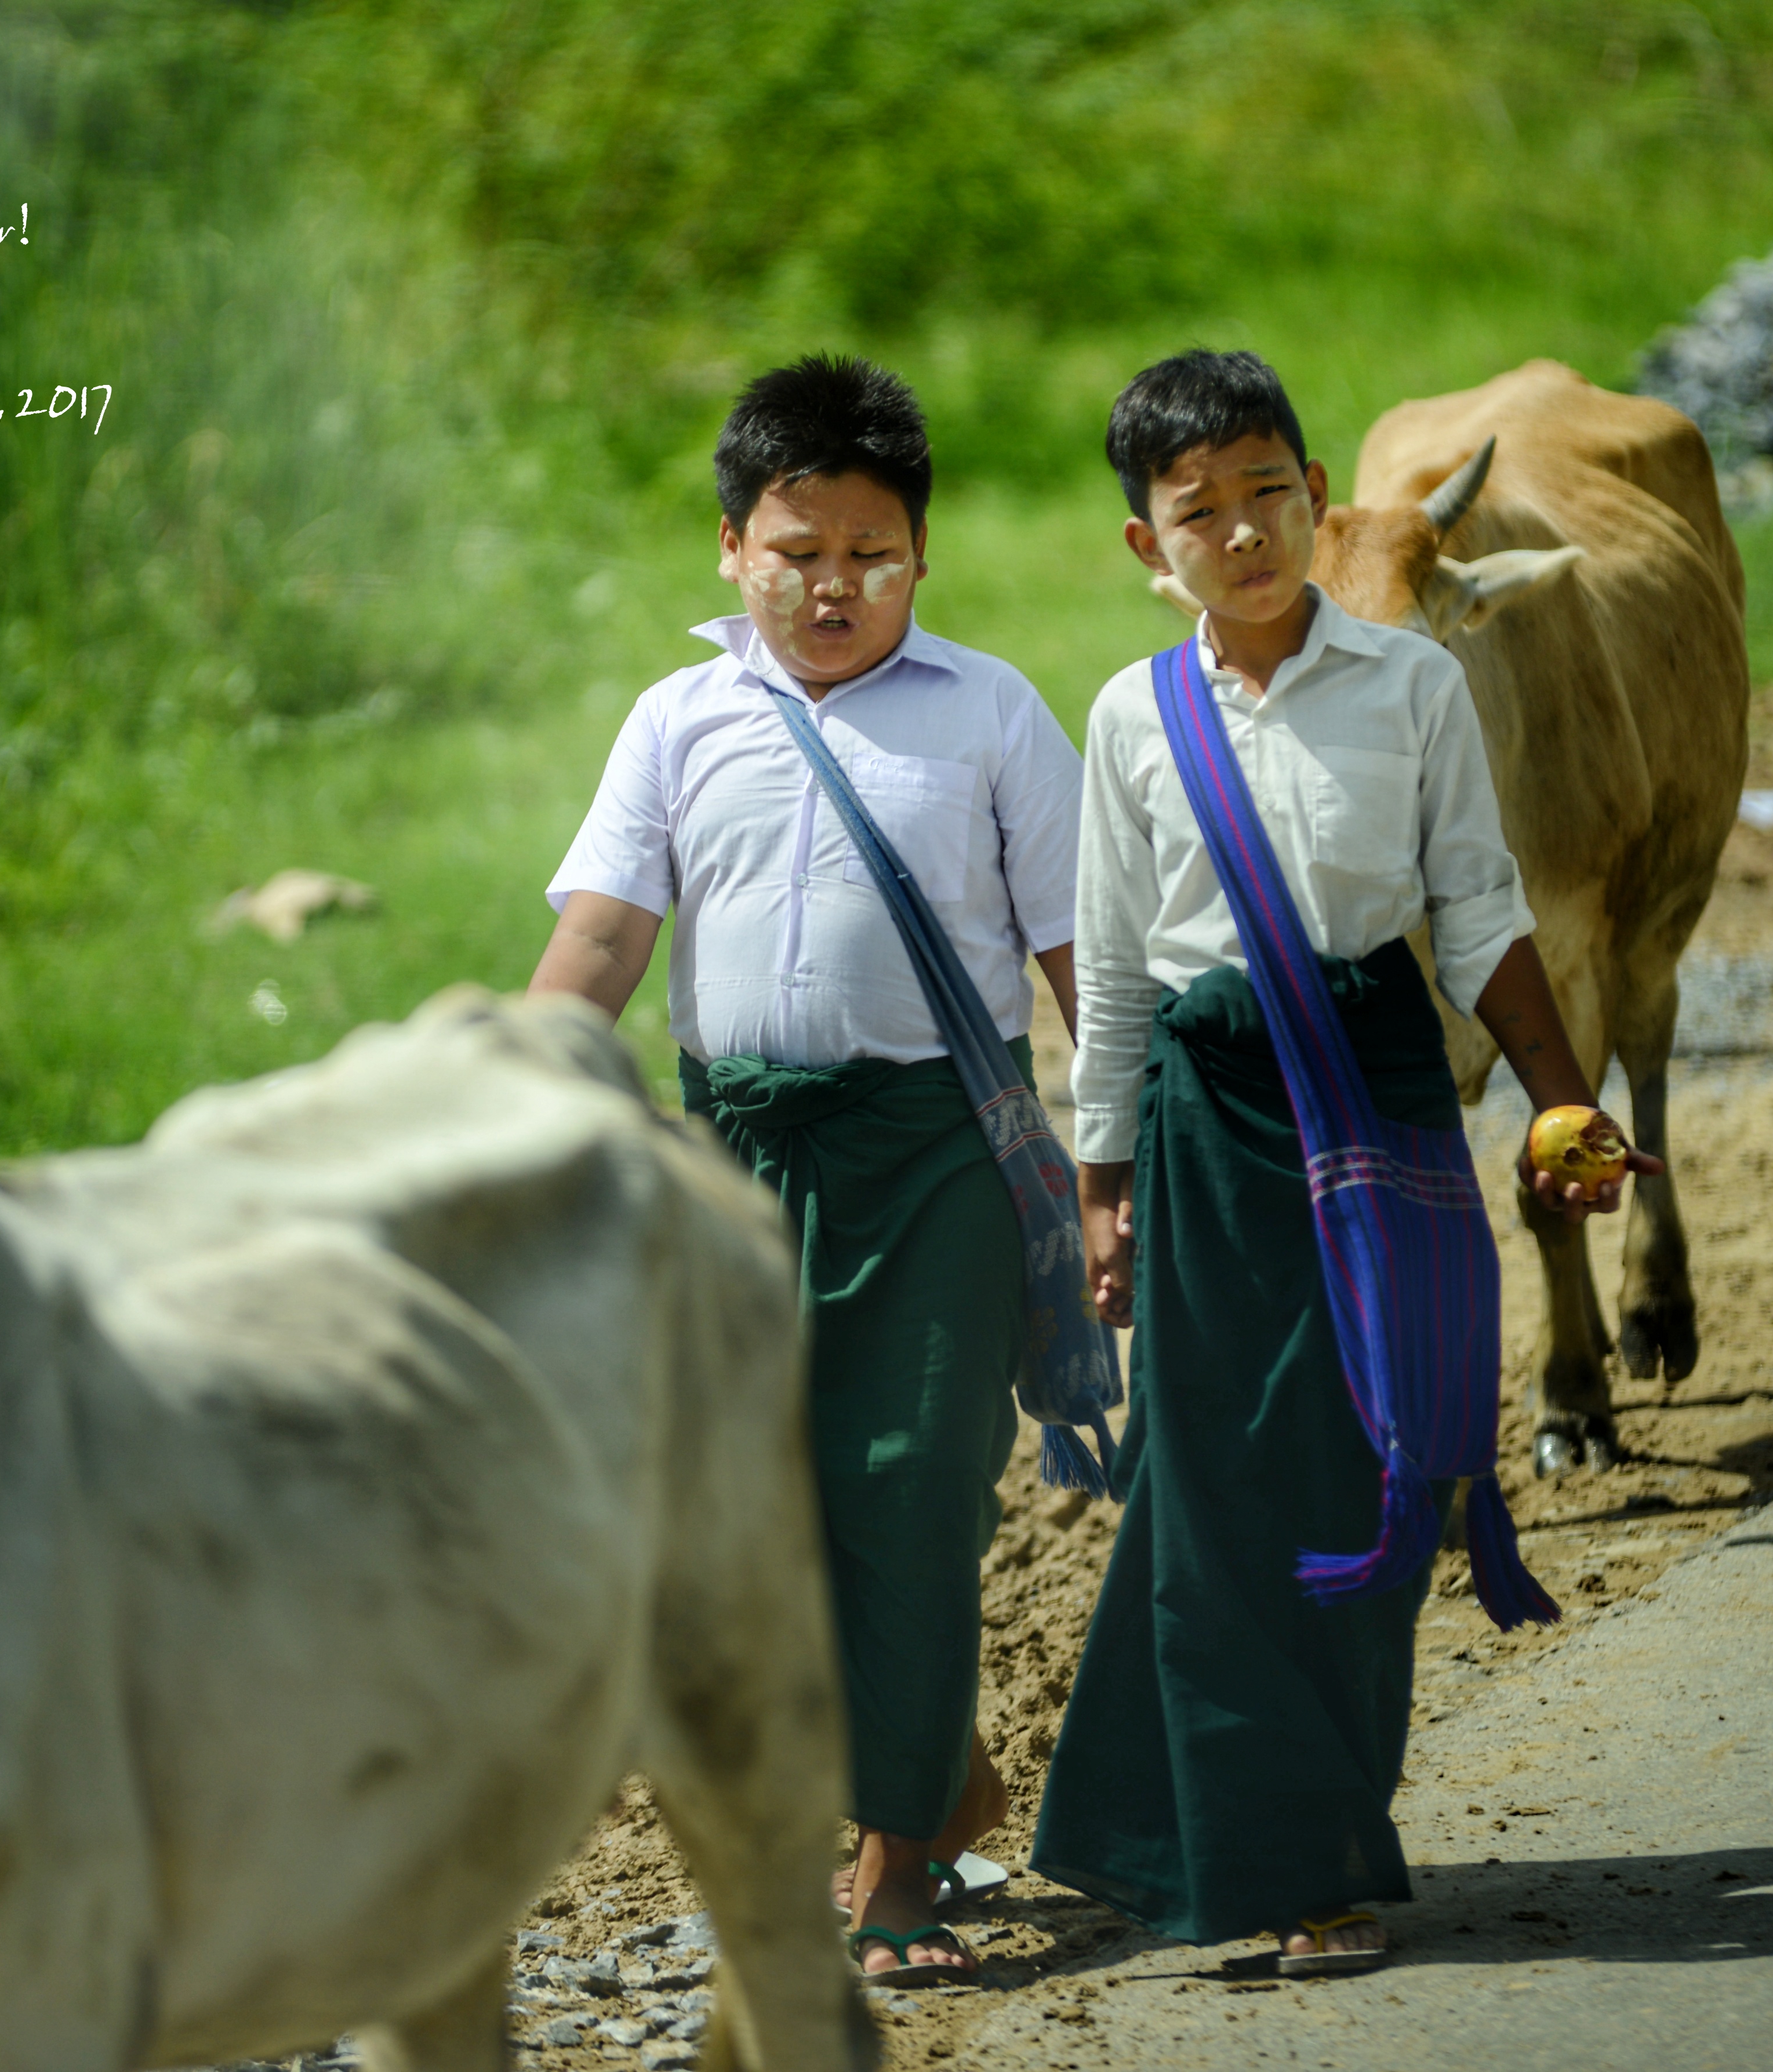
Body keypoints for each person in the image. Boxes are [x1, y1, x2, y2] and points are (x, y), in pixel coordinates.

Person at [1028, 350, 1659, 1977]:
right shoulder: (1128, 720)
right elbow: (1109, 971)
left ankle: (1295, 1835)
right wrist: (1102, 1181)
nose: (1239, 535)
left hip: (1380, 1089)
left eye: (1266, 498)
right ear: (1142, 545)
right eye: (1197, 514)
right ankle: (1278, 1862)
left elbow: (1481, 915)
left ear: (1317, 500)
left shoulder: (1411, 686)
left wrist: (1553, 1096)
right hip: (1206, 1115)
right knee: (1210, 1476)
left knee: (1374, 1466)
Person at [528, 355, 1085, 1986]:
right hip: (736, 1162)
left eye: (872, 553)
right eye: (796, 551)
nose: (832, 584)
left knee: (906, 1487)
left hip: (936, 1162)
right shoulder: (677, 718)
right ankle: (942, 1778)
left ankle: (895, 1858)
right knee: (753, 1511)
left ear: (921, 559)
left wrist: (1116, 1161)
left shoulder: (988, 715)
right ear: (729, 548)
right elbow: (603, 935)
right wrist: (506, 1102)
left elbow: (1074, 958)